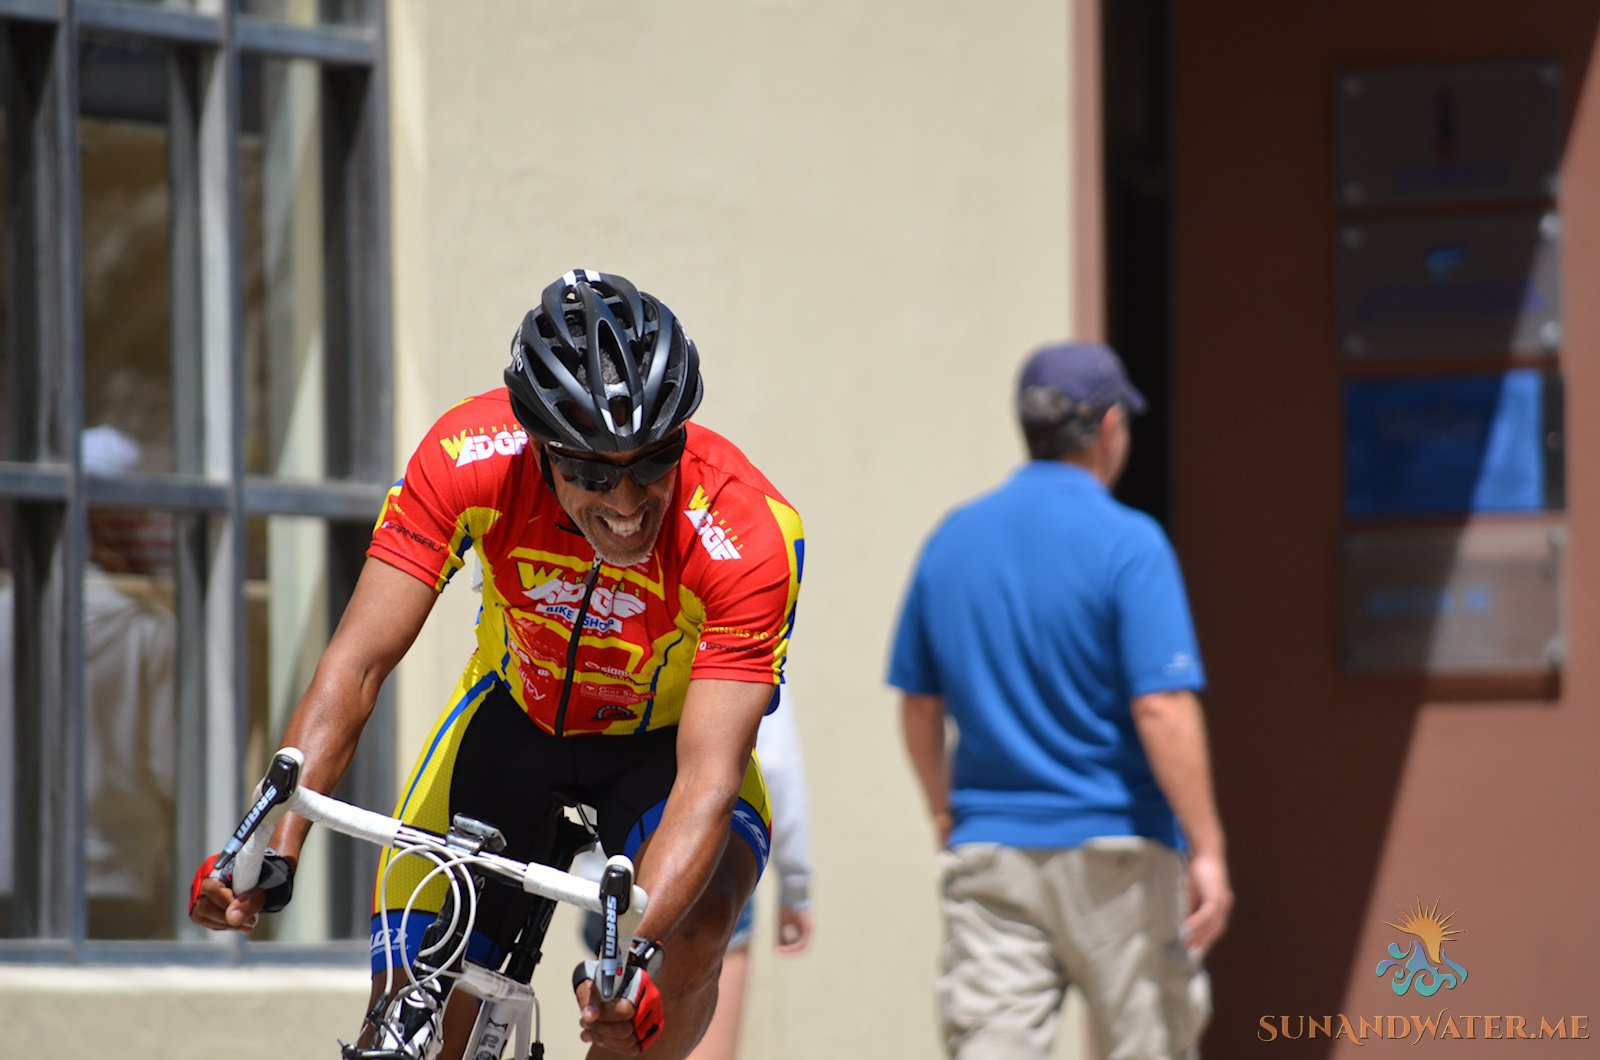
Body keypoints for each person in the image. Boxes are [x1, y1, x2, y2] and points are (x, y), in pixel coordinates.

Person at [189, 268, 806, 1060]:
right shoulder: (469, 457)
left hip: (663, 751)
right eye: (591, 473)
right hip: (514, 722)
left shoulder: (746, 529)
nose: (626, 503)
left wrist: (634, 958)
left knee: (688, 938)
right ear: (539, 447)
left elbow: (709, 779)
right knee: (406, 1018)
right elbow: (357, 667)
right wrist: (268, 848)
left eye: (653, 462)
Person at [886, 341, 1232, 1060]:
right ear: (1108, 428)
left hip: (993, 855)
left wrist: (944, 812)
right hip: (1119, 853)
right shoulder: (1131, 543)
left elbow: (919, 706)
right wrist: (1208, 847)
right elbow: (1162, 707)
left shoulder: (953, 540)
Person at [0, 426, 177, 940]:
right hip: (116, 876)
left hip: (12, 867)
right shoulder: (150, 629)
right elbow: (173, 769)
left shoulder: (8, 613)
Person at [576, 684, 814, 1060]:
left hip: (607, 879)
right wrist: (796, 886)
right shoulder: (743, 658)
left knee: (610, 1022)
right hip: (706, 880)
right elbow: (778, 765)